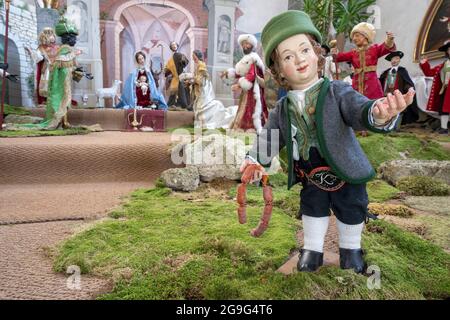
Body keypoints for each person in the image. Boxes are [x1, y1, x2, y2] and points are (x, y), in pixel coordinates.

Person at [241, 10, 416, 274]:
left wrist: (377, 113)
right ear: (279, 71)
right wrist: (255, 160)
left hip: (345, 168)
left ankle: (351, 250)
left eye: (304, 50)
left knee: (351, 208)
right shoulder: (282, 108)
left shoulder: (337, 91)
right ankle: (312, 249)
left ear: (316, 53)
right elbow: (270, 137)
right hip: (310, 172)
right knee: (312, 209)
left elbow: (359, 110)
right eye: (288, 57)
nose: (299, 60)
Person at [331, 22, 396, 99]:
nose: (354, 38)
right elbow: (339, 57)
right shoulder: (353, 52)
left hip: (372, 85)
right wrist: (335, 53)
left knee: (374, 105)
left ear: (366, 37)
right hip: (356, 85)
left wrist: (389, 40)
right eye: (354, 36)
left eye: (357, 36)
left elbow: (385, 47)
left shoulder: (374, 49)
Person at [221, 34, 268, 133]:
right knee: (244, 108)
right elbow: (240, 73)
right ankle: (243, 127)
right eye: (243, 44)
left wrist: (239, 85)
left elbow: (252, 75)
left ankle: (251, 128)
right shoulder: (245, 58)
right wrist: (228, 74)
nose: (244, 46)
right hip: (247, 90)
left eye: (247, 44)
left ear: (251, 45)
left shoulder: (254, 58)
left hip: (254, 90)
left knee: (252, 110)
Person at [181, 50, 237, 129]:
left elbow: (200, 80)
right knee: (199, 105)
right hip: (201, 87)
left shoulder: (201, 65)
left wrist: (190, 79)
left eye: (194, 56)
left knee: (202, 106)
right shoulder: (199, 65)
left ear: (197, 56)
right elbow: (197, 77)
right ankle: (201, 122)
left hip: (203, 88)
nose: (193, 58)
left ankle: (204, 122)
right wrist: (190, 81)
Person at [380, 51, 419, 126]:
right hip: (386, 95)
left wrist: (410, 88)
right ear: (390, 61)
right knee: (387, 108)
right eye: (392, 59)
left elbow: (407, 82)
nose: (394, 60)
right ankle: (386, 125)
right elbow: (380, 82)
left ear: (399, 60)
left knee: (398, 110)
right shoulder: (386, 72)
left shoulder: (402, 71)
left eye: (396, 58)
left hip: (397, 95)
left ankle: (395, 126)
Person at [419, 40, 450, 134]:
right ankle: (444, 128)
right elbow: (430, 73)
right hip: (445, 91)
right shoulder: (443, 65)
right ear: (447, 52)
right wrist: (424, 64)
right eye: (449, 49)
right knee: (444, 110)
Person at [25, 28, 60, 106]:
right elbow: (38, 57)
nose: (52, 38)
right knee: (47, 86)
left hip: (54, 68)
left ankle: (53, 101)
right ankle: (47, 101)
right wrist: (31, 51)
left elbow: (38, 57)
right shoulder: (43, 48)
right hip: (48, 69)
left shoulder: (55, 47)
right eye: (50, 35)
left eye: (52, 35)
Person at [164, 41, 190, 110]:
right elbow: (168, 69)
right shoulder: (171, 59)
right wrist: (166, 70)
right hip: (175, 77)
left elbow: (185, 62)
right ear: (171, 48)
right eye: (172, 45)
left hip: (181, 76)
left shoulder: (181, 55)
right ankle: (171, 104)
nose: (174, 46)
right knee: (174, 92)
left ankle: (183, 105)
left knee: (182, 91)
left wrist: (183, 61)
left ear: (177, 45)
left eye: (175, 44)